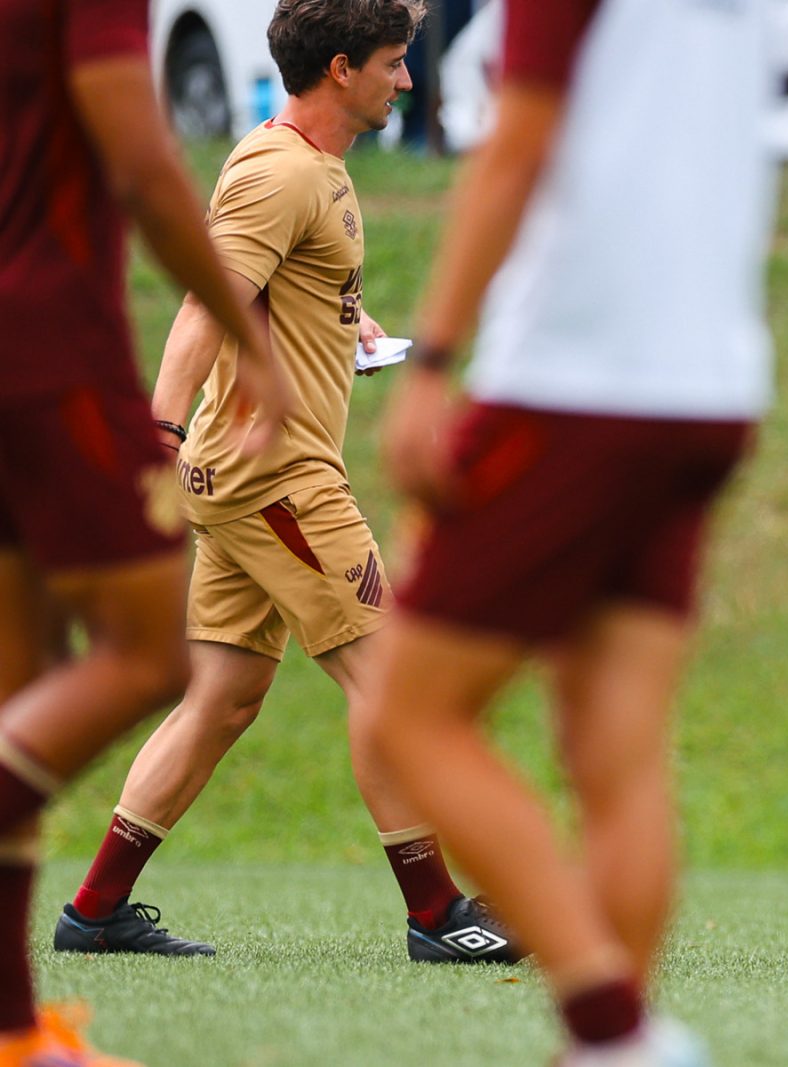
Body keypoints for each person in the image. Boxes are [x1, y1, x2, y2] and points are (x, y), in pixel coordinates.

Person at [46, 0, 518, 967]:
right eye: (393, 62)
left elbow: (277, 287)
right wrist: (161, 425)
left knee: (223, 695)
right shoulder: (282, 173)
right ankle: (436, 913)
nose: (407, 80)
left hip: (246, 476)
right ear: (341, 68)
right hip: (277, 477)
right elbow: (205, 305)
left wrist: (350, 325)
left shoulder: (307, 163)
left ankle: (94, 911)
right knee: (392, 683)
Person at [358, 0, 775, 1060]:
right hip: (710, 386)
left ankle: (616, 1030)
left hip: (577, 380)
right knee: (613, 752)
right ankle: (613, 1049)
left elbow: (520, 144)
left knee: (406, 717)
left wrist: (431, 361)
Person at [0, 0, 295, 1058]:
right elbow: (137, 155)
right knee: (148, 653)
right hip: (46, 345)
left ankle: (11, 1029)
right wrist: (247, 336)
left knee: (25, 685)